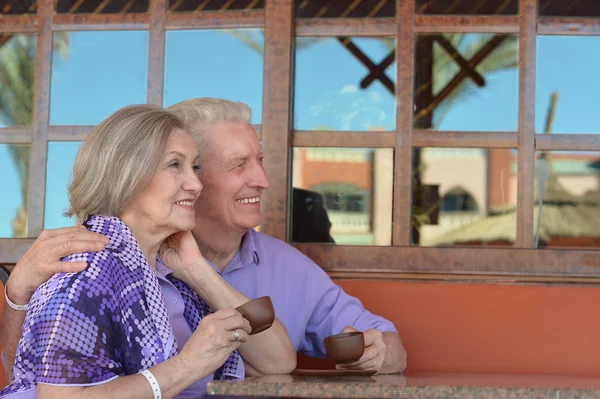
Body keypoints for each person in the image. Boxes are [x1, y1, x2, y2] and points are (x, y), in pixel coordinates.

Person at [2, 98, 406, 378]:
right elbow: (40, 375)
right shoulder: (109, 261)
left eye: (260, 161)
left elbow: (282, 360)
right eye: (238, 165)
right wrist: (18, 289)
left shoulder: (283, 266)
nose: (263, 180)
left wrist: (379, 353)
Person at [0, 104, 295, 398]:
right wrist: (188, 364)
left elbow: (278, 363)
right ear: (126, 175)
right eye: (174, 165)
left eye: (194, 167)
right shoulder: (86, 272)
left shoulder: (170, 273)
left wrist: (197, 270)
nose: (195, 184)